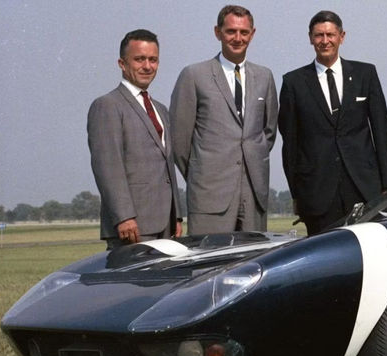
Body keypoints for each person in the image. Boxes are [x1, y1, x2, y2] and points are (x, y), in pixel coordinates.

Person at [278, 10, 387, 235]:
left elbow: (382, 132)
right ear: (311, 38)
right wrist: (297, 193)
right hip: (318, 193)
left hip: (363, 188)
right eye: (319, 35)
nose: (325, 41)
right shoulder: (293, 82)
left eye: (330, 34)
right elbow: (290, 144)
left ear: (342, 36)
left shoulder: (365, 74)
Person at [171, 5, 278, 235]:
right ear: (217, 32)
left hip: (253, 196)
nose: (237, 38)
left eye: (244, 32)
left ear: (252, 33)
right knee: (210, 266)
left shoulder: (265, 76)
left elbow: (267, 134)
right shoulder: (194, 75)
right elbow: (179, 142)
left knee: (253, 264)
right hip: (209, 196)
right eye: (230, 31)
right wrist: (203, 175)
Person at [87, 29, 182, 250]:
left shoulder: (161, 110)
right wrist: (123, 217)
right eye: (139, 59)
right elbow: (107, 166)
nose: (147, 66)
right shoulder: (108, 105)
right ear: (122, 63)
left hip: (165, 226)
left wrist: (176, 215)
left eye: (153, 60)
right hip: (133, 227)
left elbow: (167, 165)